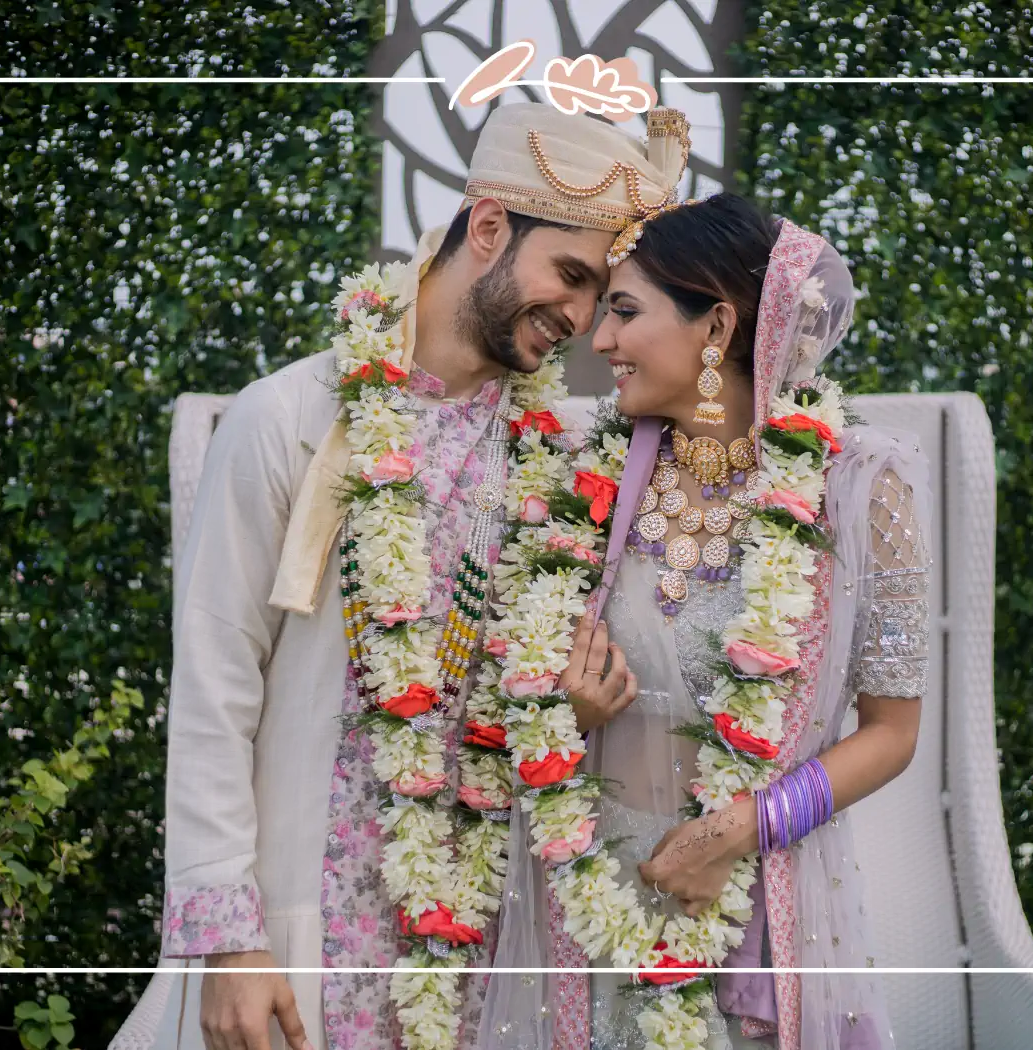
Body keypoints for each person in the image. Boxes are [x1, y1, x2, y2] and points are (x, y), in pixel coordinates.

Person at [109, 103, 693, 1050]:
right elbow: (215, 689)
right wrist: (225, 946)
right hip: (304, 936)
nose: (583, 320)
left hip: (485, 938)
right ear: (492, 225)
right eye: (572, 276)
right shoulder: (289, 419)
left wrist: (570, 710)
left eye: (600, 295)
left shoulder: (563, 457)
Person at [479, 194, 932, 1050]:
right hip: (592, 896)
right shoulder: (588, 486)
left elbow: (892, 733)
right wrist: (563, 713)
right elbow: (520, 704)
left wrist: (733, 833)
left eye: (623, 309)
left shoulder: (863, 487)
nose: (599, 340)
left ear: (716, 323)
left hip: (754, 897)